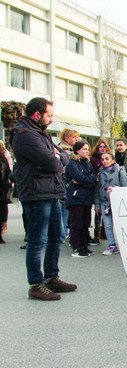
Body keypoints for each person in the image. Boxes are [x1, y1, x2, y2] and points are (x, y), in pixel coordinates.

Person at [12, 97, 77, 300]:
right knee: (37, 240)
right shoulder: (25, 135)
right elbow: (55, 162)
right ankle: (35, 284)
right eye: (49, 115)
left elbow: (63, 157)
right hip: (35, 192)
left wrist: (58, 157)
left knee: (56, 235)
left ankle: (51, 277)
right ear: (37, 114)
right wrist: (57, 157)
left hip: (50, 190)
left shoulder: (40, 133)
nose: (51, 119)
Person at [65, 140, 98, 258]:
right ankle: (76, 247)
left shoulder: (88, 163)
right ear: (77, 150)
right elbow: (78, 177)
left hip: (87, 197)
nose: (87, 151)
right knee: (76, 223)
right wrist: (86, 180)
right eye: (84, 149)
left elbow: (93, 178)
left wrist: (86, 180)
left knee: (86, 223)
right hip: (76, 197)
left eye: (88, 149)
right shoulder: (72, 163)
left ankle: (84, 245)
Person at [95, 151, 127, 255]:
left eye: (107, 159)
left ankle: (125, 246)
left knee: (120, 225)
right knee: (107, 226)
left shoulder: (120, 172)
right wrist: (97, 205)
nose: (104, 161)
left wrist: (117, 190)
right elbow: (97, 190)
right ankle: (112, 245)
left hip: (117, 203)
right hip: (104, 202)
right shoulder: (100, 173)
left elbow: (126, 187)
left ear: (113, 160)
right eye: (103, 159)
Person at [57, 129, 80, 240]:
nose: (76, 139)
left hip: (62, 182)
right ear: (66, 138)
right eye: (74, 137)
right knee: (63, 210)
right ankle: (62, 233)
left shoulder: (62, 149)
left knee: (64, 210)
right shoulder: (65, 151)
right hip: (64, 182)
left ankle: (63, 232)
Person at [88, 138, 111, 245]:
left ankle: (105, 233)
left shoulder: (109, 158)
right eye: (100, 147)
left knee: (107, 211)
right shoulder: (93, 159)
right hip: (97, 185)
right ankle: (97, 234)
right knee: (98, 211)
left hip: (108, 187)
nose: (102, 149)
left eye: (104, 147)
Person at [0, 141, 12, 243]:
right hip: (3, 188)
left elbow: (8, 172)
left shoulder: (4, 159)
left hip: (3, 189)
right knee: (2, 211)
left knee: (3, 211)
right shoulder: (3, 160)